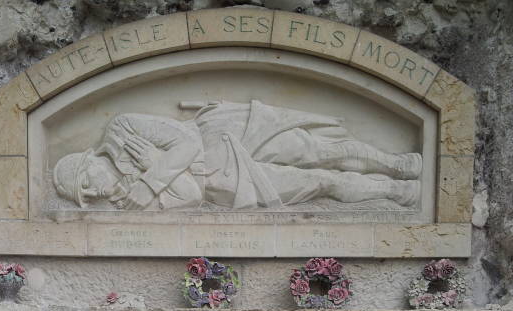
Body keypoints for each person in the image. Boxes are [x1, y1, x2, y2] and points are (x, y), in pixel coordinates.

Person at [53, 99, 422, 211]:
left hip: (230, 137)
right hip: (225, 184)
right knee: (322, 182)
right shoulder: (127, 202)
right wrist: (153, 177)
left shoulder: (122, 126)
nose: (94, 192)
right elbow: (190, 196)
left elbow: (187, 142)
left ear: (90, 159)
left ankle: (396, 164)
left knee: (321, 151)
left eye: (87, 183)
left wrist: (151, 175)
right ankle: (398, 194)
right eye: (86, 197)